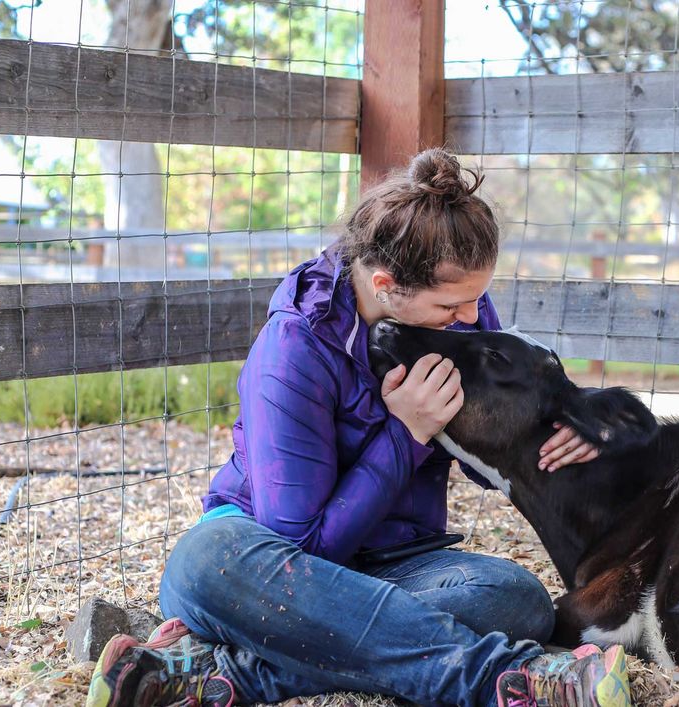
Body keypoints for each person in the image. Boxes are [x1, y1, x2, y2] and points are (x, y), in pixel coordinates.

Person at [86, 148, 631, 707]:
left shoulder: (461, 315)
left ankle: (218, 674)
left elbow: (486, 461)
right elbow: (301, 546)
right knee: (205, 563)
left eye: (477, 299)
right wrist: (406, 433)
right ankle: (503, 680)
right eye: (453, 305)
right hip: (264, 566)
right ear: (386, 284)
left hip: (396, 565)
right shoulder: (293, 350)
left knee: (515, 599)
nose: (472, 318)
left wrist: (554, 439)